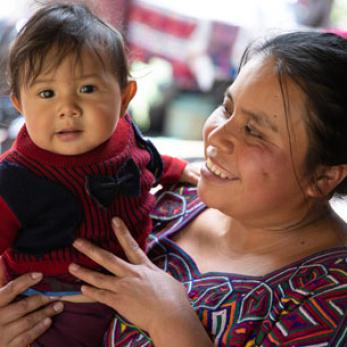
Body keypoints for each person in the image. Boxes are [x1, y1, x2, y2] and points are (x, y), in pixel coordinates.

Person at [1, 30, 347, 347]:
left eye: (255, 131)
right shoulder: (174, 199)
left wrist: (172, 323)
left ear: (325, 176)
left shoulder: (329, 297)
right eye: (227, 107)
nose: (218, 135)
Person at [0, 3, 198, 347]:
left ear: (124, 98)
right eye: (47, 94)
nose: (68, 108)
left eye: (87, 89)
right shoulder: (16, 179)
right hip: (56, 310)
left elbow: (147, 163)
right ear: (20, 103)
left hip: (138, 292)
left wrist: (181, 171)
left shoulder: (124, 136)